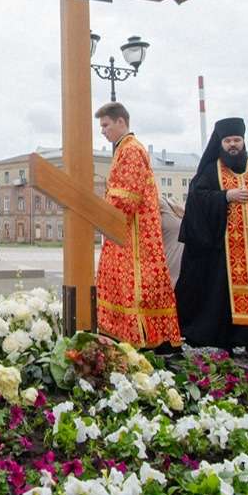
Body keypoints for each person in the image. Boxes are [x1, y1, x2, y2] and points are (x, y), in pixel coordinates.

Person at [175, 117, 248, 355]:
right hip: (223, 249)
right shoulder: (210, 170)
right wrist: (225, 196)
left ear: (244, 141)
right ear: (220, 142)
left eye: (237, 140)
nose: (233, 145)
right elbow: (197, 199)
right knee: (222, 297)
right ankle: (226, 342)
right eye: (228, 141)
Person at [93, 102, 181, 351]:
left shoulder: (130, 150)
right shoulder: (125, 149)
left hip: (133, 234)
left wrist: (102, 212)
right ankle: (135, 336)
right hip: (129, 230)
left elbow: (125, 197)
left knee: (138, 285)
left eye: (106, 125)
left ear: (121, 122)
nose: (103, 131)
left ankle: (144, 339)